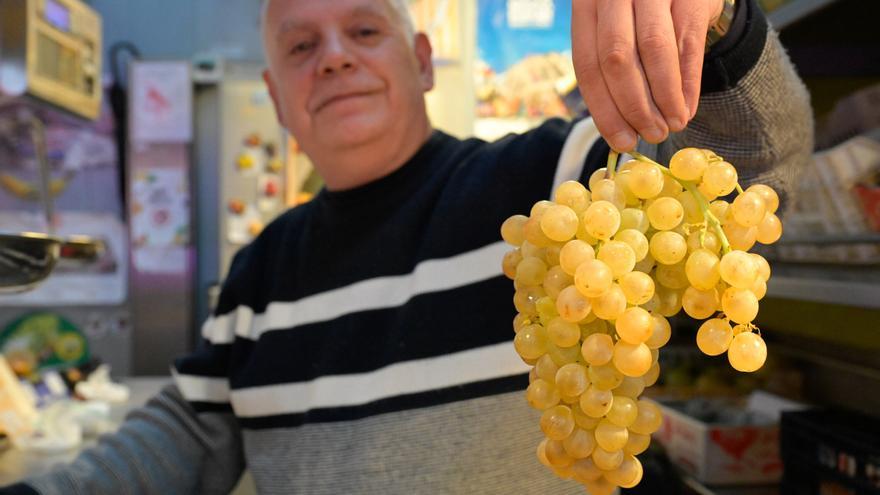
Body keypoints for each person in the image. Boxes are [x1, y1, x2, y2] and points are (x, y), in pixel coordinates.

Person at [4, 0, 812, 493]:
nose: (336, 56)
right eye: (299, 47)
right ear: (279, 104)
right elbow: (192, 431)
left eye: (363, 28)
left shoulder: (553, 188)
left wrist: (719, 21)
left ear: (422, 62)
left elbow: (756, 165)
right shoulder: (260, 269)